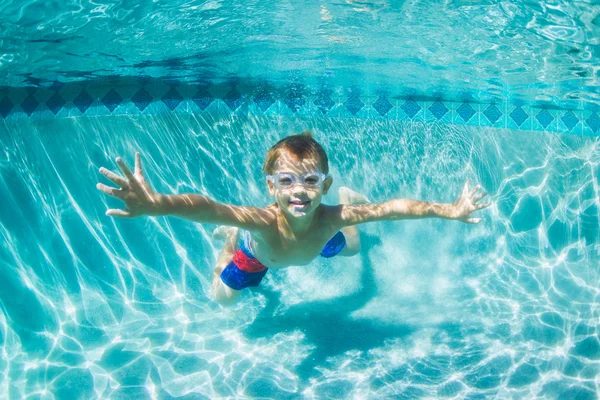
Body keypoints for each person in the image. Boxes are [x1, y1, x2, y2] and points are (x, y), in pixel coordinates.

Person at [96, 131, 490, 306]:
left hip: (315, 242)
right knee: (223, 298)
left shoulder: (331, 217)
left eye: (309, 180)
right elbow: (206, 206)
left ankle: (346, 195)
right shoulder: (263, 221)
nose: (298, 190)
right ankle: (228, 241)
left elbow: (393, 207)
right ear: (271, 188)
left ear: (324, 184)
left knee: (354, 246)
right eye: (286, 181)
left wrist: (449, 210)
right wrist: (157, 203)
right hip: (260, 255)